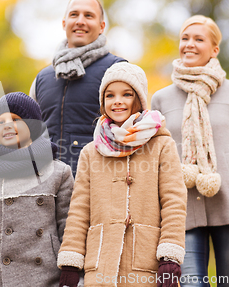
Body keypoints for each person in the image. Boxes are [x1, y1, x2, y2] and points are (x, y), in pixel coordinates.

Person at [151, 15, 229, 287]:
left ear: (214, 49)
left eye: (198, 39)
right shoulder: (161, 98)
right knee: (192, 284)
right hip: (182, 208)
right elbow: (157, 158)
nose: (189, 44)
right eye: (185, 38)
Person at [57, 62, 187, 287]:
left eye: (126, 94)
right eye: (110, 95)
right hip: (100, 265)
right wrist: (70, 260)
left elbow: (174, 202)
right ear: (102, 102)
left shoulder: (162, 145)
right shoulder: (91, 152)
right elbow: (79, 209)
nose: (117, 101)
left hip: (144, 263)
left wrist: (170, 256)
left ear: (139, 100)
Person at [0, 92, 74, 287]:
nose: (6, 125)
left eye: (14, 119)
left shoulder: (59, 173)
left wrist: (71, 278)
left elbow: (69, 231)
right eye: (0, 121)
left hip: (49, 279)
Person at [29, 0, 126, 175]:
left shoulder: (117, 69)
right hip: (47, 188)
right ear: (64, 23)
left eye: (88, 15)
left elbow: (131, 132)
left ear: (101, 26)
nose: (80, 21)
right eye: (74, 14)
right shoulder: (42, 78)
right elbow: (30, 137)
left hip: (97, 184)